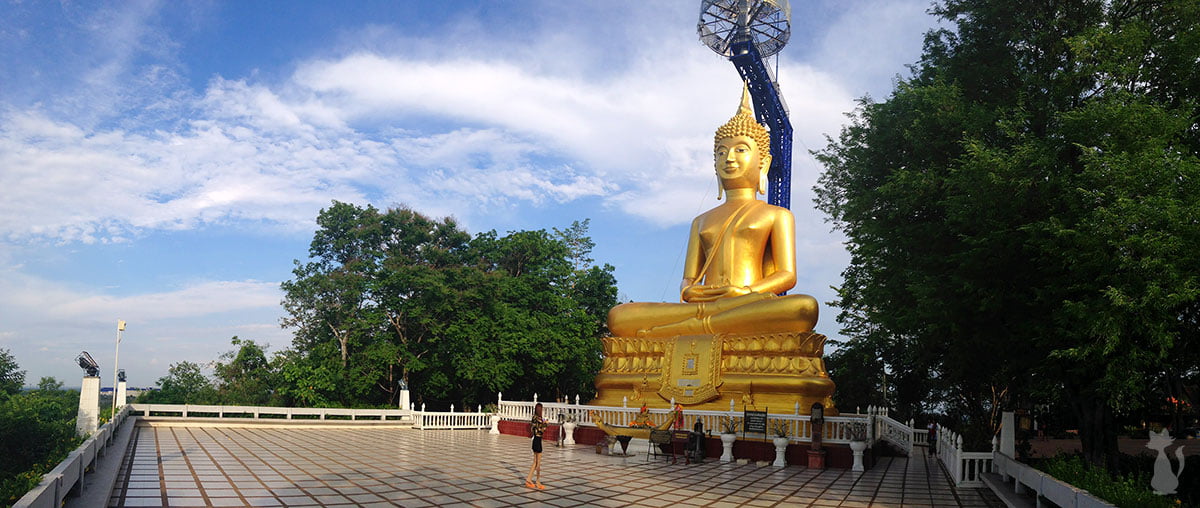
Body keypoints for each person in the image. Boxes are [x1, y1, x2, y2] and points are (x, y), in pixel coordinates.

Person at [606, 85, 819, 339]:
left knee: (804, 308)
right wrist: (689, 291)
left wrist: (745, 292)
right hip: (703, 305)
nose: (729, 158)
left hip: (747, 304)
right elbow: (689, 280)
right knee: (619, 316)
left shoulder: (776, 215)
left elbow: (786, 275)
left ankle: (689, 329)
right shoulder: (701, 221)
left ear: (763, 162)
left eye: (741, 149)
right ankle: (702, 323)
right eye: (721, 152)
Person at [525, 403, 547, 489]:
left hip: (534, 440)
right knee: (538, 463)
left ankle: (528, 479)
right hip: (538, 440)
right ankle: (538, 482)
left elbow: (532, 429)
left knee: (535, 462)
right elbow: (542, 430)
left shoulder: (533, 418)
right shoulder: (539, 419)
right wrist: (545, 423)